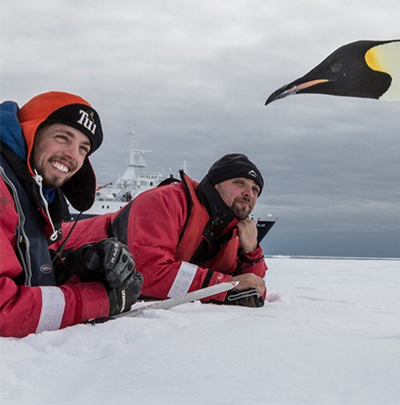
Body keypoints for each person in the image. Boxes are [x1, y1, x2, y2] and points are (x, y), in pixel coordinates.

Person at [1, 92, 143, 337]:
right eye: (62, 137)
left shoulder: (32, 194)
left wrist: (82, 267)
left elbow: (26, 276)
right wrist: (100, 300)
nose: (72, 155)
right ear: (30, 131)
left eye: (83, 149)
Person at [64, 153, 268, 307]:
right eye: (239, 183)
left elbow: (251, 289)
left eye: (255, 190)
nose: (248, 193)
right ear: (215, 185)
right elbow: (146, 272)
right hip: (58, 253)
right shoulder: (163, 201)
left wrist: (251, 252)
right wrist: (224, 285)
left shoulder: (232, 233)